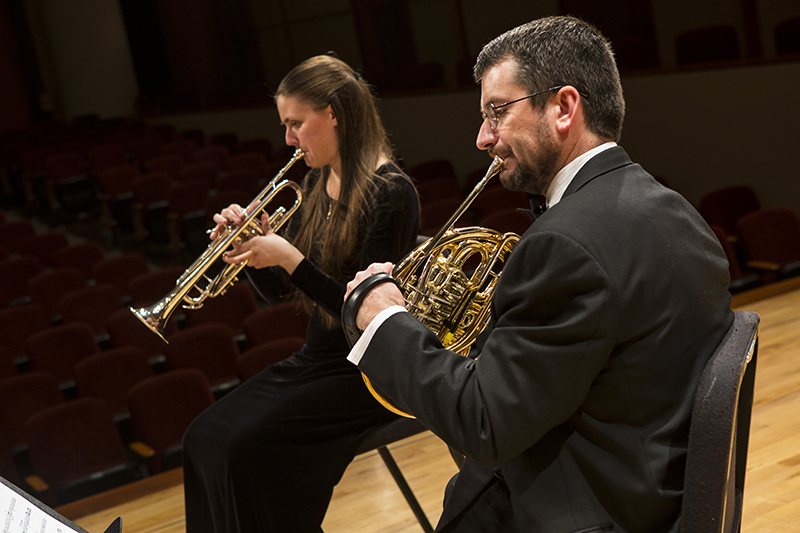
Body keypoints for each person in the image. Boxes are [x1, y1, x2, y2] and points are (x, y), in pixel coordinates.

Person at [344, 16, 734, 533]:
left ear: (564, 107)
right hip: (647, 489)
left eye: (497, 112)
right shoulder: (673, 209)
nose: (483, 137)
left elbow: (484, 424)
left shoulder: (563, 244)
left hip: (580, 512)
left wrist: (386, 318)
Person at [181, 54, 420, 533]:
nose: (288, 139)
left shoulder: (391, 192)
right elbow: (289, 295)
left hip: (367, 371)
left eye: (295, 123)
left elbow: (365, 313)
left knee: (246, 449)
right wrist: (251, 251)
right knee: (201, 437)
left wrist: (289, 256)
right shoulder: (316, 182)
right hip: (319, 359)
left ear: (334, 113)